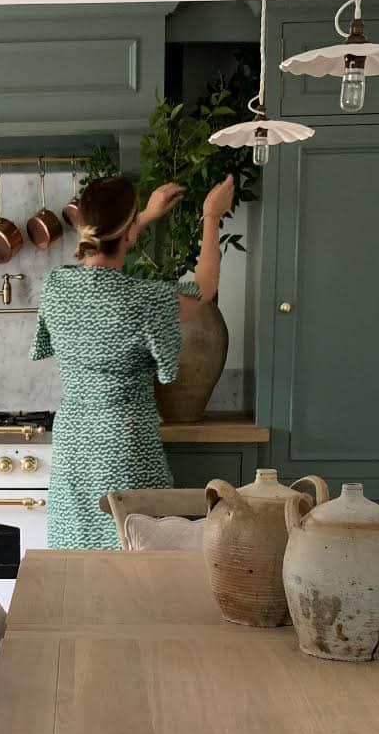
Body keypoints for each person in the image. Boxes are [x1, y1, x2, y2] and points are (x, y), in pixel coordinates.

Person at [30, 171, 235, 549]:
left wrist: (144, 217)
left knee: (78, 542)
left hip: (74, 437)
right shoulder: (144, 300)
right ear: (128, 233)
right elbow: (205, 286)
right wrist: (211, 216)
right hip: (123, 440)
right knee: (131, 542)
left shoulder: (56, 286)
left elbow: (107, 239)